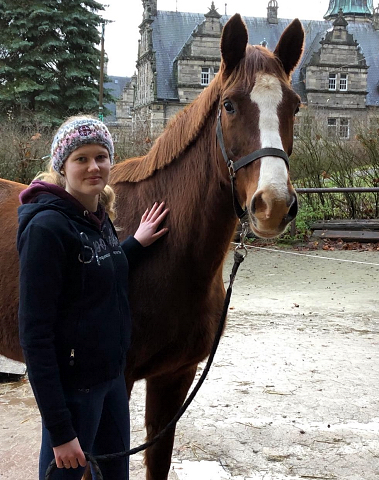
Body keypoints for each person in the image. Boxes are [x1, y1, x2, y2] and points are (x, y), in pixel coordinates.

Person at [17, 116, 169, 480]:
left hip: (111, 379)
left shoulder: (97, 217)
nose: (93, 167)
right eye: (81, 158)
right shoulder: (47, 228)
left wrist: (134, 243)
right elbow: (34, 335)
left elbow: (98, 266)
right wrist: (61, 431)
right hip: (74, 391)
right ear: (62, 167)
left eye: (101, 157)